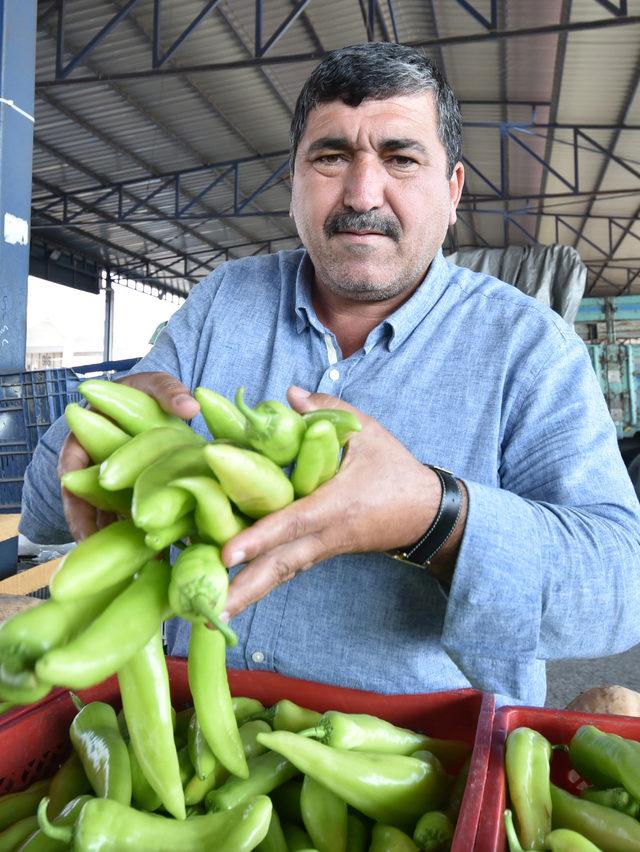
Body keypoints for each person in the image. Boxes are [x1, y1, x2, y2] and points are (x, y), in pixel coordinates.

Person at [20, 43, 640, 706]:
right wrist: (102, 424)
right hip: (191, 735)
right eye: (331, 156)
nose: (362, 193)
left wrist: (436, 516)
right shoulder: (222, 304)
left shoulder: (527, 347)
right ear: (294, 179)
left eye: (400, 157)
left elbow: (618, 588)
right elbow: (42, 511)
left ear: (453, 190)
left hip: (418, 768)